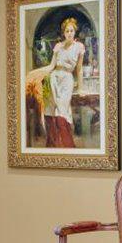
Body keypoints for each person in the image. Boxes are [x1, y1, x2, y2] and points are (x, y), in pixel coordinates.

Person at [27, 17, 85, 147]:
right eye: (67, 31)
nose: (69, 33)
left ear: (75, 32)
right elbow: (51, 66)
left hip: (67, 80)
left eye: (71, 31)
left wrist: (80, 88)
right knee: (50, 110)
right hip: (53, 78)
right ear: (63, 33)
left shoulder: (79, 47)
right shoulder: (58, 46)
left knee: (62, 112)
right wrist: (34, 73)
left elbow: (79, 69)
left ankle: (68, 146)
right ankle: (52, 144)